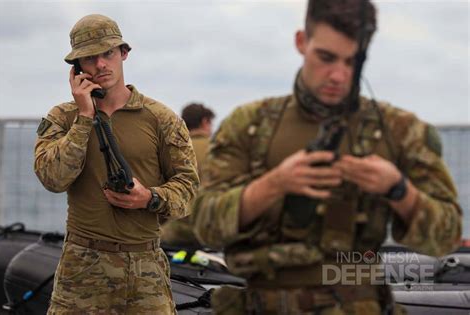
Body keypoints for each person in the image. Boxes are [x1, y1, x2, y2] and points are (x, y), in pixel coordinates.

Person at [191, 0, 462, 314]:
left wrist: (399, 190)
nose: (338, 75)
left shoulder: (401, 131)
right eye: (326, 57)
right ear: (301, 42)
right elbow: (203, 224)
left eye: (352, 61)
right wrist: (273, 185)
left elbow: (447, 236)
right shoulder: (249, 125)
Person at [34, 14, 199, 314]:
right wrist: (84, 118)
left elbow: (188, 189)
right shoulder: (62, 117)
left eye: (108, 53)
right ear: (76, 68)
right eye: (89, 58)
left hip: (145, 269)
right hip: (82, 267)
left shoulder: (160, 119)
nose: (100, 65)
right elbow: (53, 179)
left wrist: (149, 198)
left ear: (123, 53)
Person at [162, 103, 215, 247]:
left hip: (171, 232)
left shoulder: (169, 148)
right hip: (209, 231)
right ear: (205, 122)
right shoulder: (217, 149)